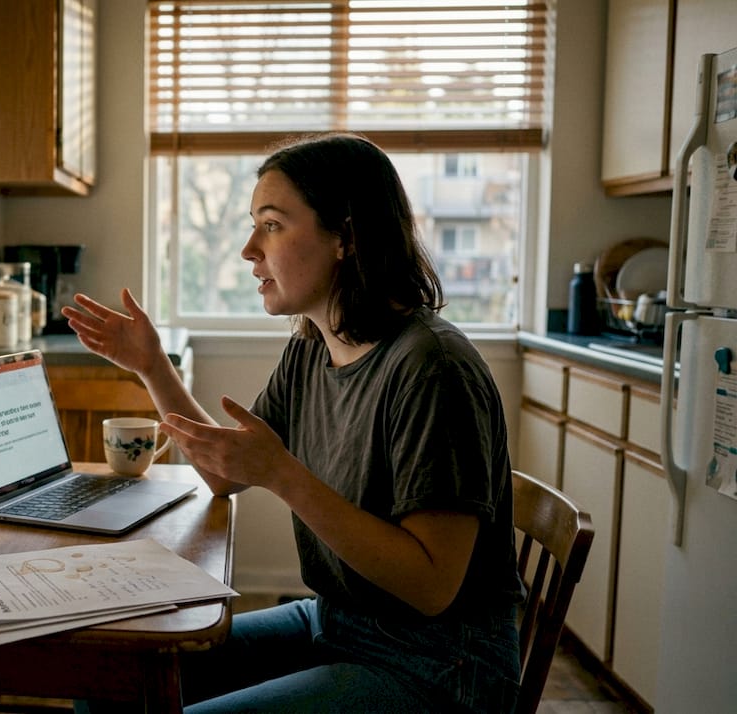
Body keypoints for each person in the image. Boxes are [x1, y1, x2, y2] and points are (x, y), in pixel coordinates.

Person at [62, 132, 524, 713]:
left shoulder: (434, 369)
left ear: (346, 238)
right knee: (109, 682)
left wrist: (283, 476)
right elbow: (228, 472)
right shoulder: (312, 348)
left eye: (273, 224)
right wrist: (152, 367)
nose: (249, 248)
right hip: (340, 624)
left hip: (439, 667)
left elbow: (432, 586)